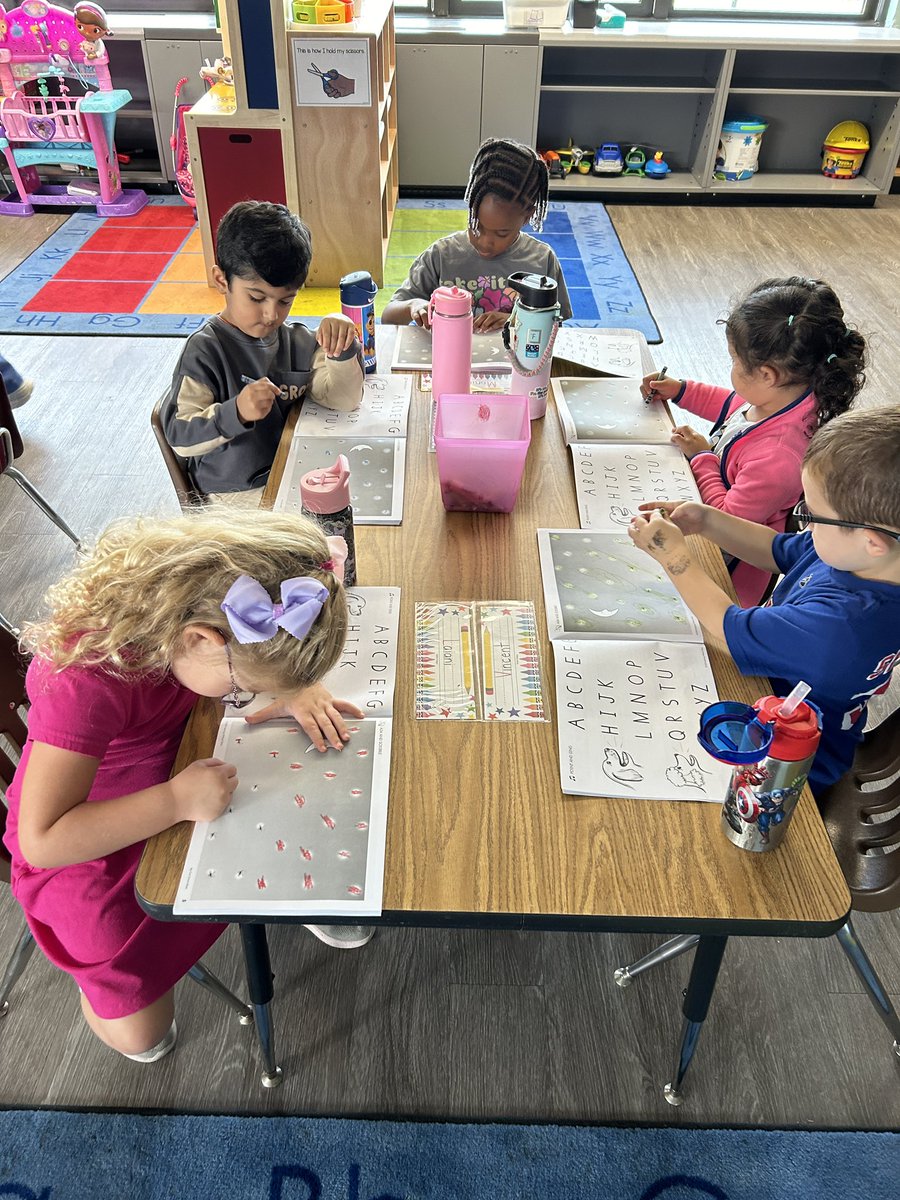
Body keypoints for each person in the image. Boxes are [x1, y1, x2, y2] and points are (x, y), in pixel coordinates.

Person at [2, 509, 373, 1064]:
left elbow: (231, 662)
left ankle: (278, 895)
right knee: (142, 1038)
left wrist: (292, 685)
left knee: (291, 788)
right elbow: (44, 839)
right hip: (88, 836)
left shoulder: (192, 614)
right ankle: (104, 986)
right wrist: (174, 800)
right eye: (244, 684)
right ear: (200, 637)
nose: (246, 691)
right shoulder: (83, 679)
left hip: (184, 755)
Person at [627, 406, 900, 799]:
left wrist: (673, 557)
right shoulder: (860, 555)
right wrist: (707, 521)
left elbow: (726, 628)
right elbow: (777, 550)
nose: (804, 522)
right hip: (764, 692)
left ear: (871, 541)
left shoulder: (845, 628)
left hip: (786, 769)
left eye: (811, 514)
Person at [640, 277, 867, 606]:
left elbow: (722, 519)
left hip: (724, 572)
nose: (731, 367)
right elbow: (733, 405)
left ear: (767, 375)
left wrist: (703, 457)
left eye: (734, 361)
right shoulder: (784, 397)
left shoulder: (779, 457)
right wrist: (681, 391)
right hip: (702, 514)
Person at [162, 201, 364, 507]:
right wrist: (236, 412)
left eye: (285, 301)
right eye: (257, 298)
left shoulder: (296, 341)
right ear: (221, 280)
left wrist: (342, 347)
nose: (271, 314)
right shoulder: (205, 350)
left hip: (289, 471)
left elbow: (343, 400)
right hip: (232, 496)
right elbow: (179, 435)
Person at [381, 137, 573, 332]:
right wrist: (413, 306)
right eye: (477, 226)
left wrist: (515, 320)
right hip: (447, 360)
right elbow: (388, 316)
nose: (485, 242)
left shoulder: (542, 260)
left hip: (516, 362)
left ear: (527, 217)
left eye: (502, 233)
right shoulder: (441, 256)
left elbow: (557, 325)